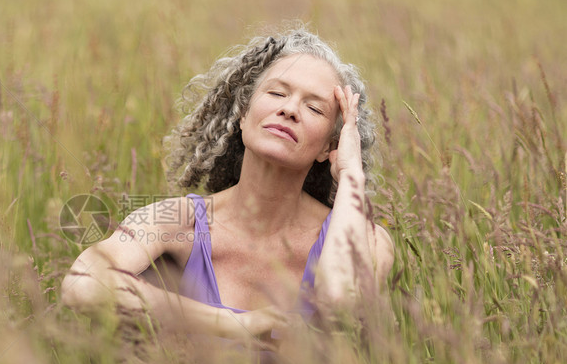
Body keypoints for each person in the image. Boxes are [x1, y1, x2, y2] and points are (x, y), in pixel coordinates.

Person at [61, 27, 394, 344]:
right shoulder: (178, 220)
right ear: (242, 114)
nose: (289, 109)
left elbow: (341, 302)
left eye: (313, 108)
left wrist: (351, 174)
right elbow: (82, 284)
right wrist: (237, 324)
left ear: (328, 146)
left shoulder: (369, 240)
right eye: (277, 92)